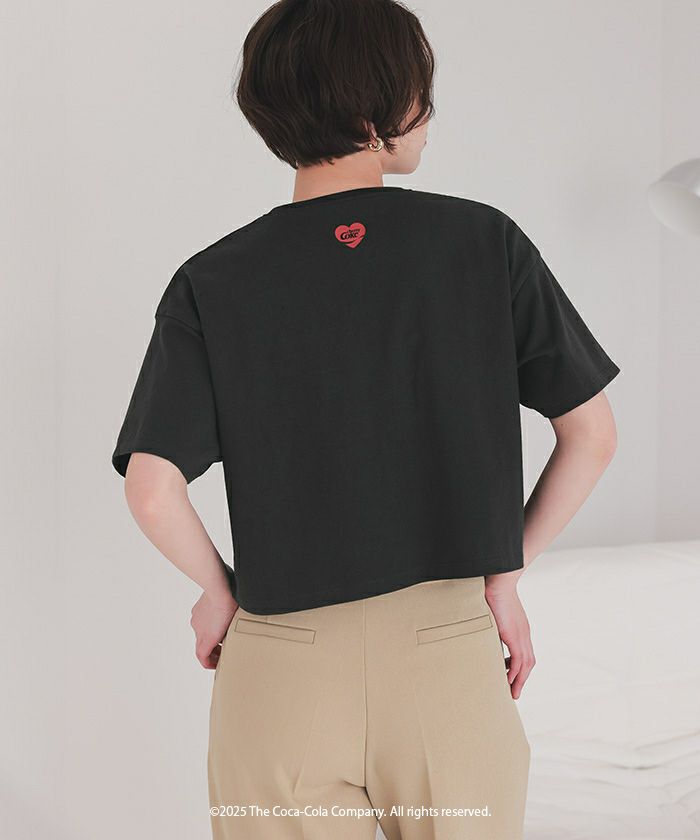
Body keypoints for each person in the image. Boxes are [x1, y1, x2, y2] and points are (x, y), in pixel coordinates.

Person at [110, 1, 620, 838]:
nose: (428, 113)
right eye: (420, 91)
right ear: (374, 111)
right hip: (446, 658)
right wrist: (503, 577)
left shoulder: (213, 280)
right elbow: (593, 433)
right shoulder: (485, 244)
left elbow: (152, 487)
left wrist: (218, 593)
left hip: (280, 672)